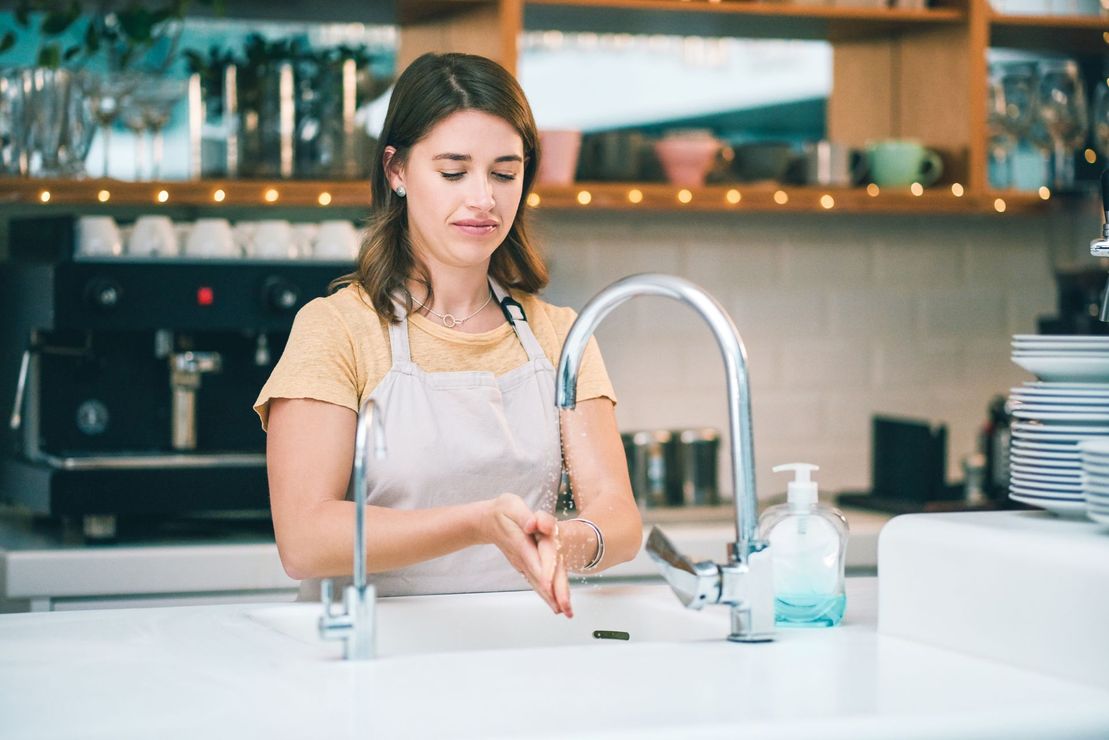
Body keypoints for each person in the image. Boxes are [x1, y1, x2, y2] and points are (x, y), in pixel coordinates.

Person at [254, 52, 641, 618]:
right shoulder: (338, 329)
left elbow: (618, 516)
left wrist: (565, 541)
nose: (484, 198)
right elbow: (306, 540)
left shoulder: (559, 336)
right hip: (370, 661)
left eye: (505, 173)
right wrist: (477, 524)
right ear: (397, 171)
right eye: (454, 171)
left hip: (516, 650)